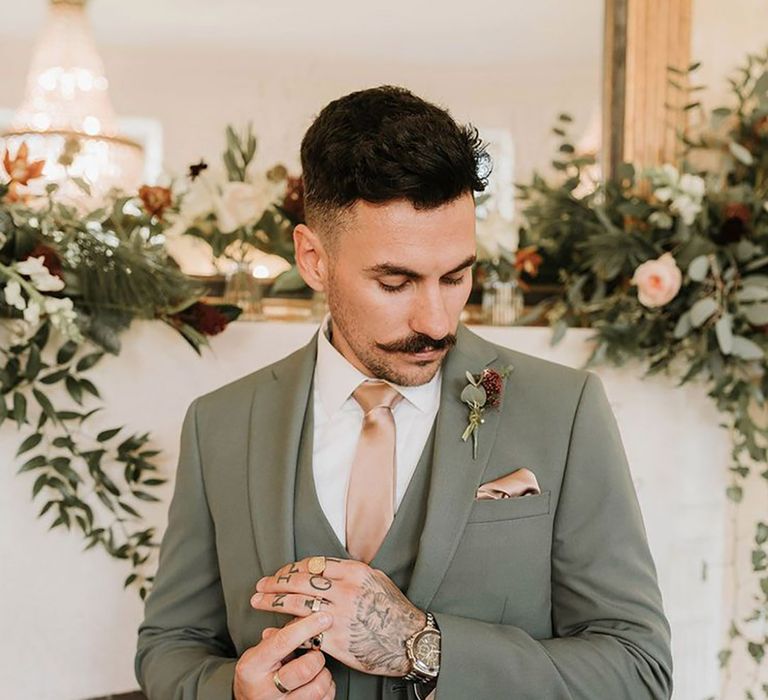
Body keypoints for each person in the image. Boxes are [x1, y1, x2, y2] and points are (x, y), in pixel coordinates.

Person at [135, 85, 672, 700]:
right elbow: (169, 646)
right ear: (313, 259)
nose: (438, 321)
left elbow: (639, 670)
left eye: (456, 276)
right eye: (395, 281)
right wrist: (232, 690)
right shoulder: (219, 423)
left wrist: (424, 645)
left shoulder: (566, 410)